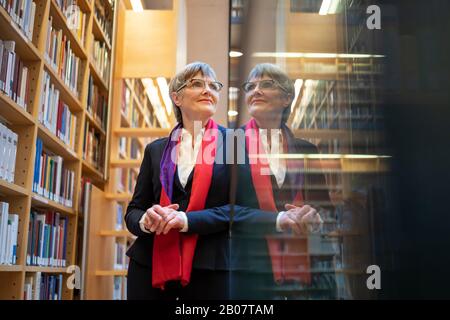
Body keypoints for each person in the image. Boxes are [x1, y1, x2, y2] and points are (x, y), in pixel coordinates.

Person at [125, 62, 232, 300]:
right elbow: (133, 211)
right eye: (197, 84)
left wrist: (185, 220)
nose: (208, 90)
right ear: (177, 97)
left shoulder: (233, 145)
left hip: (210, 269)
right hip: (149, 267)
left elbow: (239, 209)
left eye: (213, 86)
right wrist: (145, 219)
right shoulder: (156, 150)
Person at [230, 63, 330, 299]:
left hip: (303, 275)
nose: (256, 91)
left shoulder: (307, 150)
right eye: (250, 86)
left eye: (266, 84)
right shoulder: (231, 144)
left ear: (286, 98)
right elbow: (225, 210)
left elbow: (325, 207)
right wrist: (277, 220)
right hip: (250, 271)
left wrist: (316, 217)